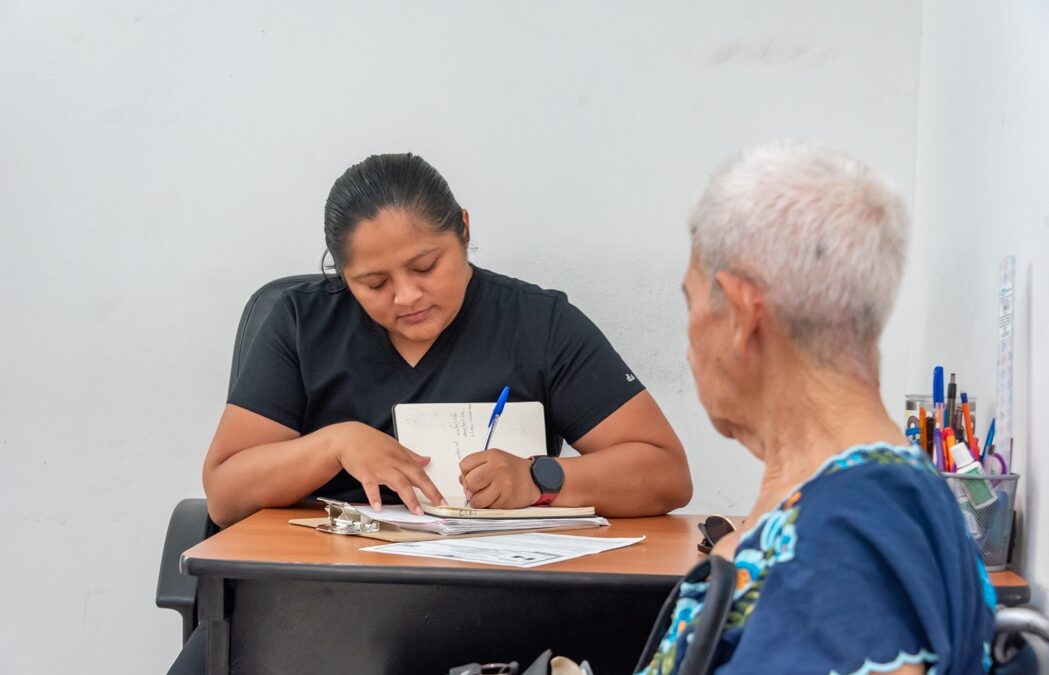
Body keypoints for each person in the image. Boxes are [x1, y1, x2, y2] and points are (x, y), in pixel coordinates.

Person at [637, 141, 995, 674]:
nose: (687, 346)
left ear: (740, 314)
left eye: (691, 306)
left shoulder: (848, 540)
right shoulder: (858, 505)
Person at [202, 152, 692, 527]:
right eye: (374, 284)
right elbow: (225, 495)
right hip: (330, 590)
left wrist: (539, 479)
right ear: (342, 275)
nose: (407, 296)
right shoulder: (301, 322)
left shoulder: (538, 324)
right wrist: (334, 443)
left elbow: (666, 473)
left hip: (496, 595)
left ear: (463, 228)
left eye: (425, 266)